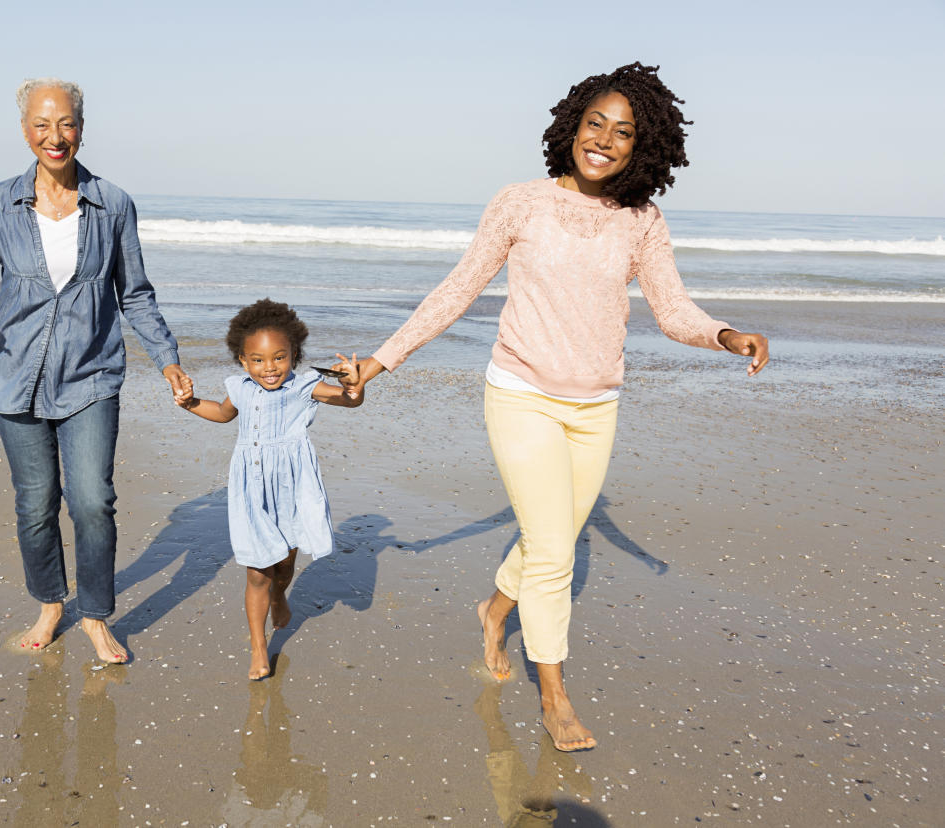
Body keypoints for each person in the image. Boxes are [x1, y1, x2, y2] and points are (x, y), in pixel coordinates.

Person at [353, 62, 770, 751]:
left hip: (596, 407)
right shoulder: (521, 203)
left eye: (623, 132)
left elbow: (671, 309)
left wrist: (724, 335)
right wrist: (379, 361)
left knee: (553, 542)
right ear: (572, 127)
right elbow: (456, 290)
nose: (604, 140)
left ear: (644, 146)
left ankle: (494, 610)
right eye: (595, 124)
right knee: (553, 553)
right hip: (520, 395)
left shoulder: (641, 220)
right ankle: (555, 697)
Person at [0, 77, 191, 664]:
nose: (55, 135)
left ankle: (94, 615)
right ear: (24, 132)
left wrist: (167, 360)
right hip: (16, 376)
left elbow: (136, 294)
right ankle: (50, 603)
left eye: (65, 123)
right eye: (42, 125)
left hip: (92, 377)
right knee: (36, 502)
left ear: (82, 129)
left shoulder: (114, 204)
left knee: (93, 500)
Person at [176, 299, 364, 679]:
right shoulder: (241, 389)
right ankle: (259, 647)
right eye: (258, 360)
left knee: (285, 562)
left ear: (294, 354)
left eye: (279, 357)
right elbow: (222, 413)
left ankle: (281, 595)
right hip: (251, 486)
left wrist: (353, 385)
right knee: (257, 569)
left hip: (294, 484)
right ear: (243, 361)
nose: (269, 368)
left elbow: (348, 400)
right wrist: (190, 403)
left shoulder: (306, 385)